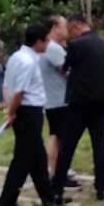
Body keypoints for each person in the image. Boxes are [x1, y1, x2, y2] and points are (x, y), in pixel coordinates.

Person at [0, 23, 59, 206]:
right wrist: (11, 112)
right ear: (38, 42)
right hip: (28, 111)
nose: (48, 44)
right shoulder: (28, 62)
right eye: (46, 41)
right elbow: (20, 91)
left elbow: (7, 86)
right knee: (23, 158)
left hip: (24, 109)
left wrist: (9, 106)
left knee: (37, 157)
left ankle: (49, 198)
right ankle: (6, 201)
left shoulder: (16, 57)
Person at [52, 13, 104, 204]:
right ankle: (102, 188)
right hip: (101, 100)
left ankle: (57, 188)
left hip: (80, 102)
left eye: (70, 30)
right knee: (99, 145)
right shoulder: (103, 43)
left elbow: (65, 67)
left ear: (76, 26)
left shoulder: (76, 45)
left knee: (68, 145)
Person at [39, 15, 70, 182]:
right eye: (64, 26)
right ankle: (56, 171)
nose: (67, 29)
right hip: (58, 99)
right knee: (59, 137)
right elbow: (68, 70)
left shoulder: (50, 47)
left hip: (53, 98)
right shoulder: (53, 48)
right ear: (55, 28)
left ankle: (54, 170)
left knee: (56, 135)